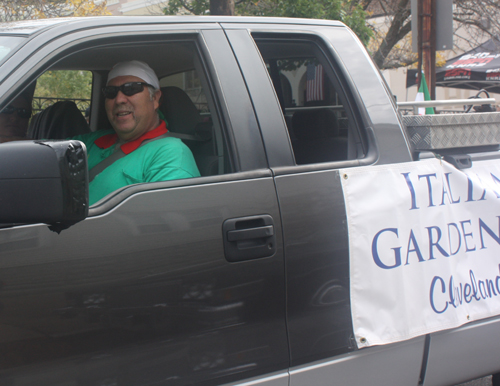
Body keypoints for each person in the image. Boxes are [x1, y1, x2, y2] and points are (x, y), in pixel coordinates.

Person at [73, 60, 200, 206]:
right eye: (111, 92)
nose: (119, 99)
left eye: (131, 89)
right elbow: (50, 153)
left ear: (155, 98)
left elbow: (165, 223)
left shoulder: (171, 154)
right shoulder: (95, 139)